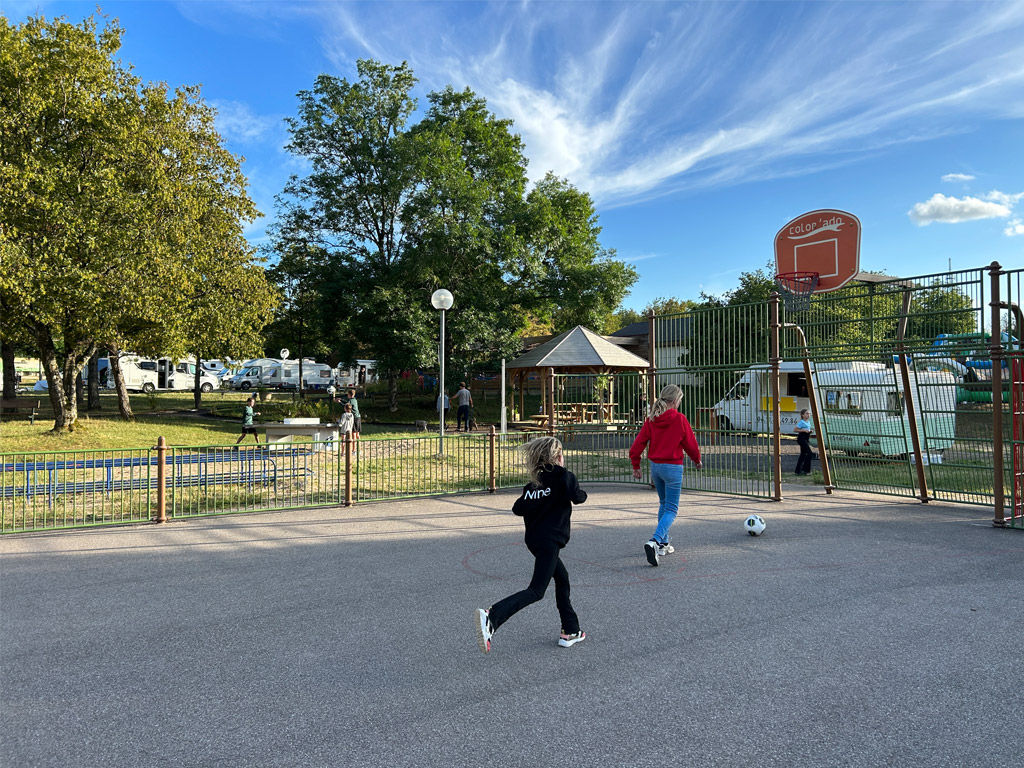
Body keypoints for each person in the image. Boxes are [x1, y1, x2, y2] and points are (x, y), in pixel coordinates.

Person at [474, 436, 587, 653]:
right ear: (557, 457)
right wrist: (572, 490)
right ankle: (492, 617)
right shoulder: (564, 477)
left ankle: (570, 630)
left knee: (562, 579)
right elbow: (579, 497)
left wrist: (539, 497)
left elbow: (518, 508)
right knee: (536, 590)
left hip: (535, 542)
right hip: (549, 542)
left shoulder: (533, 486)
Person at [629, 384, 702, 567]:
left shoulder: (651, 420)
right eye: (680, 400)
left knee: (663, 504)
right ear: (675, 401)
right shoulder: (679, 419)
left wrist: (636, 465)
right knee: (671, 509)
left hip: (656, 468)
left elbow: (638, 445)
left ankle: (663, 544)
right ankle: (654, 541)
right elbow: (690, 443)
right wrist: (697, 459)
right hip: (672, 468)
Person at [795, 409, 814, 475]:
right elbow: (795, 429)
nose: (808, 415)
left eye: (809, 413)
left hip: (806, 438)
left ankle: (798, 470)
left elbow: (807, 429)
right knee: (809, 453)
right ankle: (806, 470)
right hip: (801, 438)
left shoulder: (808, 422)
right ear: (802, 415)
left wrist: (810, 431)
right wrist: (804, 430)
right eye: (806, 413)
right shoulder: (801, 422)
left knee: (803, 454)